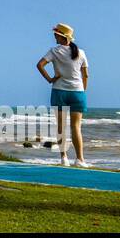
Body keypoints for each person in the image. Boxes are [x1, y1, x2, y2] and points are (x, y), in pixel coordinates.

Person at [35, 22, 90, 167]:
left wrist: (50, 79)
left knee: (61, 127)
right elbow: (86, 75)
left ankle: (64, 157)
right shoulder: (81, 52)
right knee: (76, 127)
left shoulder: (54, 51)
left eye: (56, 35)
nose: (54, 37)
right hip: (77, 92)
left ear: (62, 37)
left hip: (59, 91)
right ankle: (80, 159)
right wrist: (82, 90)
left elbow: (39, 65)